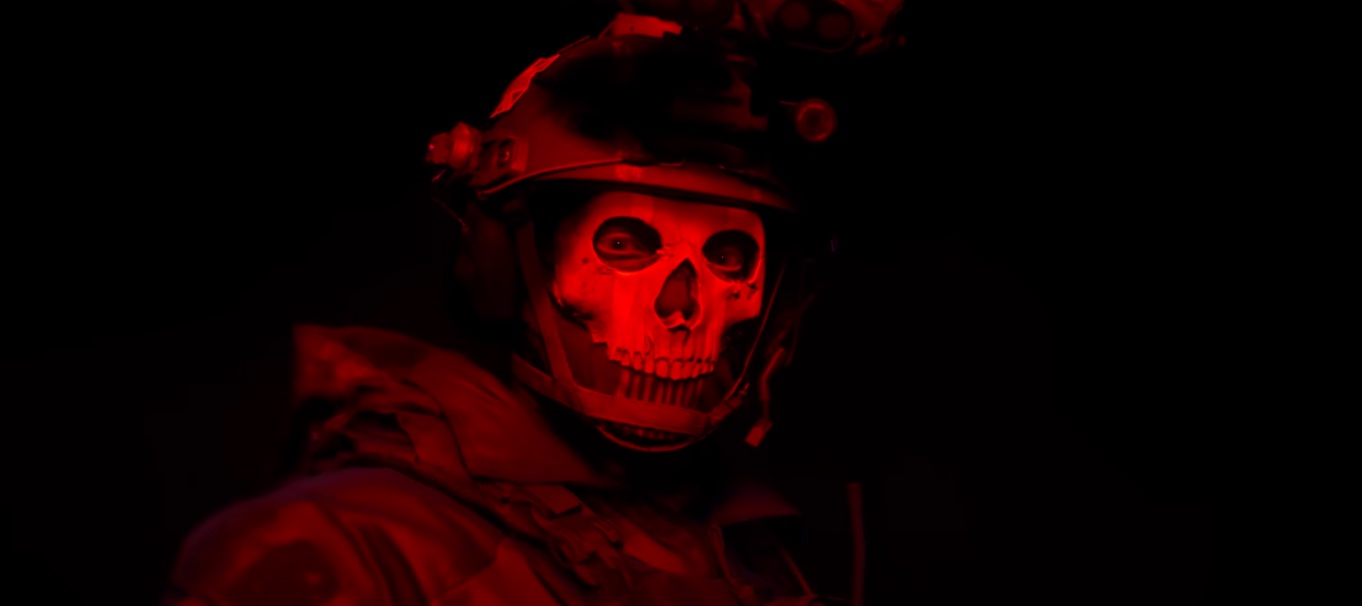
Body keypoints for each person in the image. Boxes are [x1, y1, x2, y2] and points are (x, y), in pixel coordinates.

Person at [163, 3, 906, 605]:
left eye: (729, 258)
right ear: (505, 263)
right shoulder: (342, 551)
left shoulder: (757, 551)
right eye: (625, 244)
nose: (680, 306)